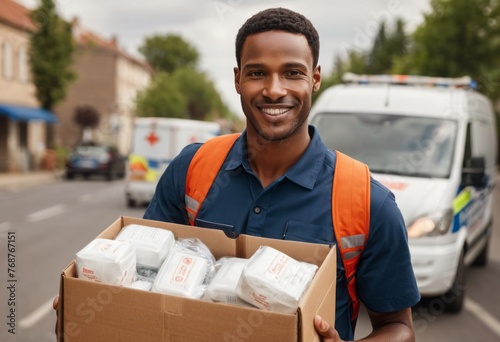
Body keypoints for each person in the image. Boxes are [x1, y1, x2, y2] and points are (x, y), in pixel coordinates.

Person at [143, 7, 420, 342]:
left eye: (292, 73)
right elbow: (142, 274)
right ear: (237, 79)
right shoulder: (192, 169)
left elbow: (399, 327)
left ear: (315, 78)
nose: (274, 90)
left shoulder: (366, 201)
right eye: (257, 73)